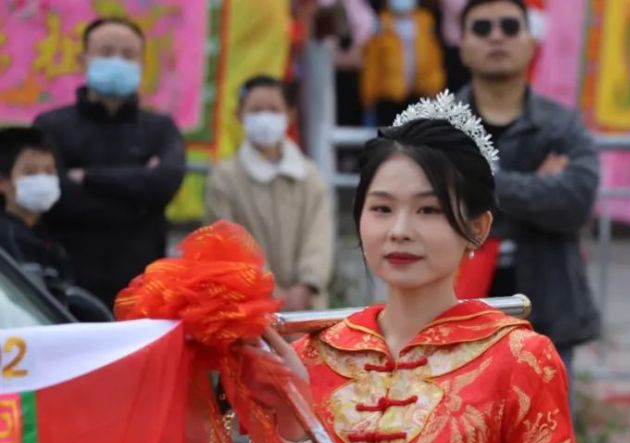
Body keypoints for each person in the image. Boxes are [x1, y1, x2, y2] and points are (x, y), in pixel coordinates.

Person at [249, 93, 586, 443]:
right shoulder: (315, 354)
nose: (400, 230)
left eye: (429, 211)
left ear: (477, 226)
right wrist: (290, 425)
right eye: (381, 209)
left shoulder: (518, 359)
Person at [457, 0, 601, 443]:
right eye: (481, 27)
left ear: (528, 41)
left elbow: (574, 200)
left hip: (544, 316)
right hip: (458, 316)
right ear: (462, 43)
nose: (495, 39)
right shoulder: (442, 124)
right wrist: (527, 186)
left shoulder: (559, 122)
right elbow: (430, 203)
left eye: (507, 27)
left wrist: (484, 181)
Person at [33, 16, 186, 309]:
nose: (117, 61)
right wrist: (137, 196)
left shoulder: (160, 128)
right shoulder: (50, 127)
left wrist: (89, 178)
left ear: (142, 63)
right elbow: (58, 197)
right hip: (64, 289)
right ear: (82, 59)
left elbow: (164, 184)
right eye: (106, 52)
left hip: (144, 291)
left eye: (128, 55)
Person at [204, 75, 335, 311]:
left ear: (290, 115)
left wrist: (306, 285)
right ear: (239, 115)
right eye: (255, 110)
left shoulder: (309, 176)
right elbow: (226, 245)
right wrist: (265, 287)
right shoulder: (224, 179)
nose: (265, 117)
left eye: (274, 109)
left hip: (306, 308)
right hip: (247, 307)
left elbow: (319, 238)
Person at [0, 127, 110, 321]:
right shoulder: (8, 237)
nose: (42, 180)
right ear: (3, 182)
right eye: (30, 172)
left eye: (49, 172)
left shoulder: (41, 233)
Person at [360, 0, 446, 127]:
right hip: (387, 97)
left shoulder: (425, 22)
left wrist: (435, 87)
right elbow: (372, 64)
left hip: (420, 94)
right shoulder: (381, 24)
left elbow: (433, 59)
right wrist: (368, 95)